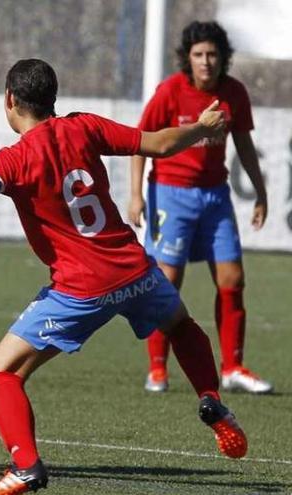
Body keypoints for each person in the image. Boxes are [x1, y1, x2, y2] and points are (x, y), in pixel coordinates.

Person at [0, 59, 248, 495]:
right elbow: (159, 144)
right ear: (53, 98)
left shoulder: (14, 159)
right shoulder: (85, 126)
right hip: (135, 269)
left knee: (0, 373)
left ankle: (25, 466)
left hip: (81, 288)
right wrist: (201, 127)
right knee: (179, 323)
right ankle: (211, 398)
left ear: (10, 100)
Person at [129, 21, 272, 394]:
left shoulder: (234, 94)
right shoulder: (169, 92)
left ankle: (234, 367)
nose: (206, 61)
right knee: (166, 283)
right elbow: (140, 144)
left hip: (215, 197)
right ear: (187, 59)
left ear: (223, 58)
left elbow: (244, 146)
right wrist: (135, 195)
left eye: (212, 54)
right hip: (171, 195)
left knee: (232, 280)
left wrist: (260, 192)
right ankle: (157, 369)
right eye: (198, 55)